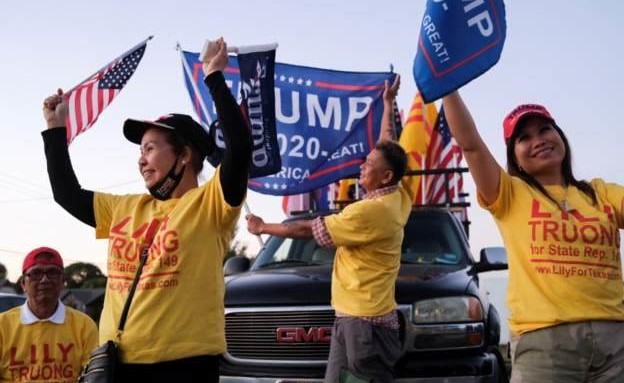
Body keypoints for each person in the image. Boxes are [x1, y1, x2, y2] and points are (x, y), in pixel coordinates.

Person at [41, 37, 251, 382]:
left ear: (184, 156)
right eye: (140, 150)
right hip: (117, 364)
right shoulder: (125, 207)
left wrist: (214, 77)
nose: (141, 159)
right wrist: (55, 129)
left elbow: (240, 147)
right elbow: (66, 194)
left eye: (151, 148)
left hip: (186, 364)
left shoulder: (210, 204)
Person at [442, 91, 624, 382]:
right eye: (523, 138)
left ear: (560, 137)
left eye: (545, 129)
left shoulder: (600, 192)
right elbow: (471, 145)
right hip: (545, 344)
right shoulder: (509, 194)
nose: (538, 140)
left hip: (616, 342)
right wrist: (448, 89)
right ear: (515, 157)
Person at [246, 76, 410, 382]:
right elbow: (390, 145)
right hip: (355, 317)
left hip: (364, 325)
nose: (362, 164)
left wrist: (262, 226)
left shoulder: (369, 212)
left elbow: (307, 230)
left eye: (369, 163)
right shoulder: (398, 195)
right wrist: (388, 104)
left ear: (385, 176)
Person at [0, 247, 98, 382]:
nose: (45, 280)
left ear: (63, 281)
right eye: (36, 273)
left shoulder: (84, 326)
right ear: (23, 283)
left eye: (53, 272)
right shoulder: (2, 326)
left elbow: (92, 377)